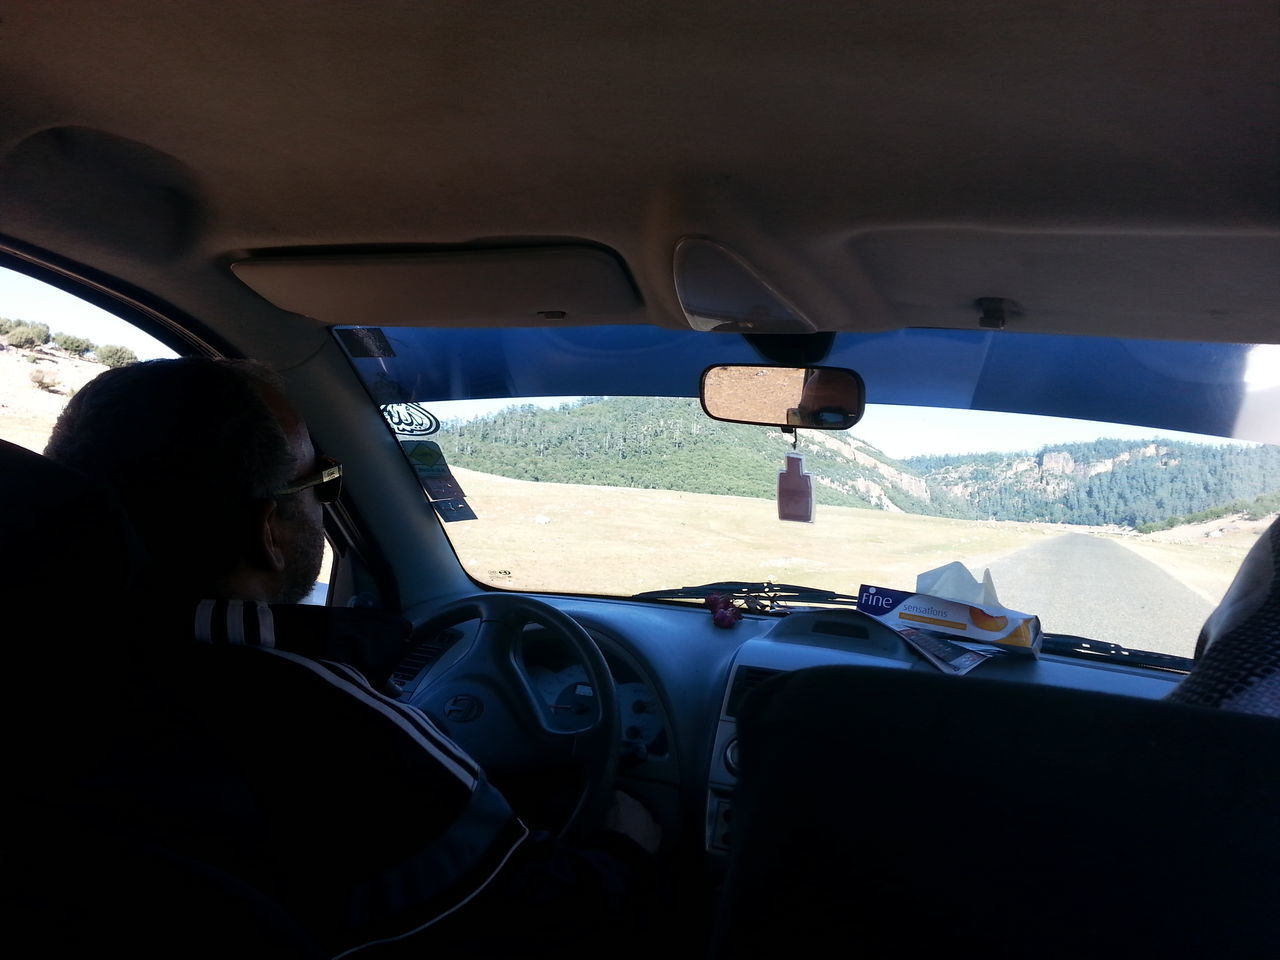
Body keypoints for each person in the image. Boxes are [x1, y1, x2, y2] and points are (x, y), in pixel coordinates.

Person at [40, 356, 665, 958]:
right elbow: (532, 919)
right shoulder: (324, 723)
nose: (326, 501)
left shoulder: (49, 652)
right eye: (322, 482)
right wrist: (625, 841)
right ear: (270, 532)